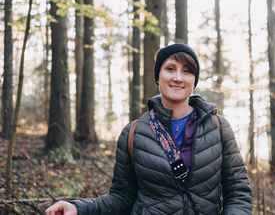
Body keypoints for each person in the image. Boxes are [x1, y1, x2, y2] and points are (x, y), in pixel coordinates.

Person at [45, 43, 252, 215]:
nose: (178, 77)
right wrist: (78, 208)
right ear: (158, 76)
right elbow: (121, 198)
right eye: (170, 68)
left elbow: (238, 193)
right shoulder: (133, 133)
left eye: (187, 71)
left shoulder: (218, 127)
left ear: (194, 80)